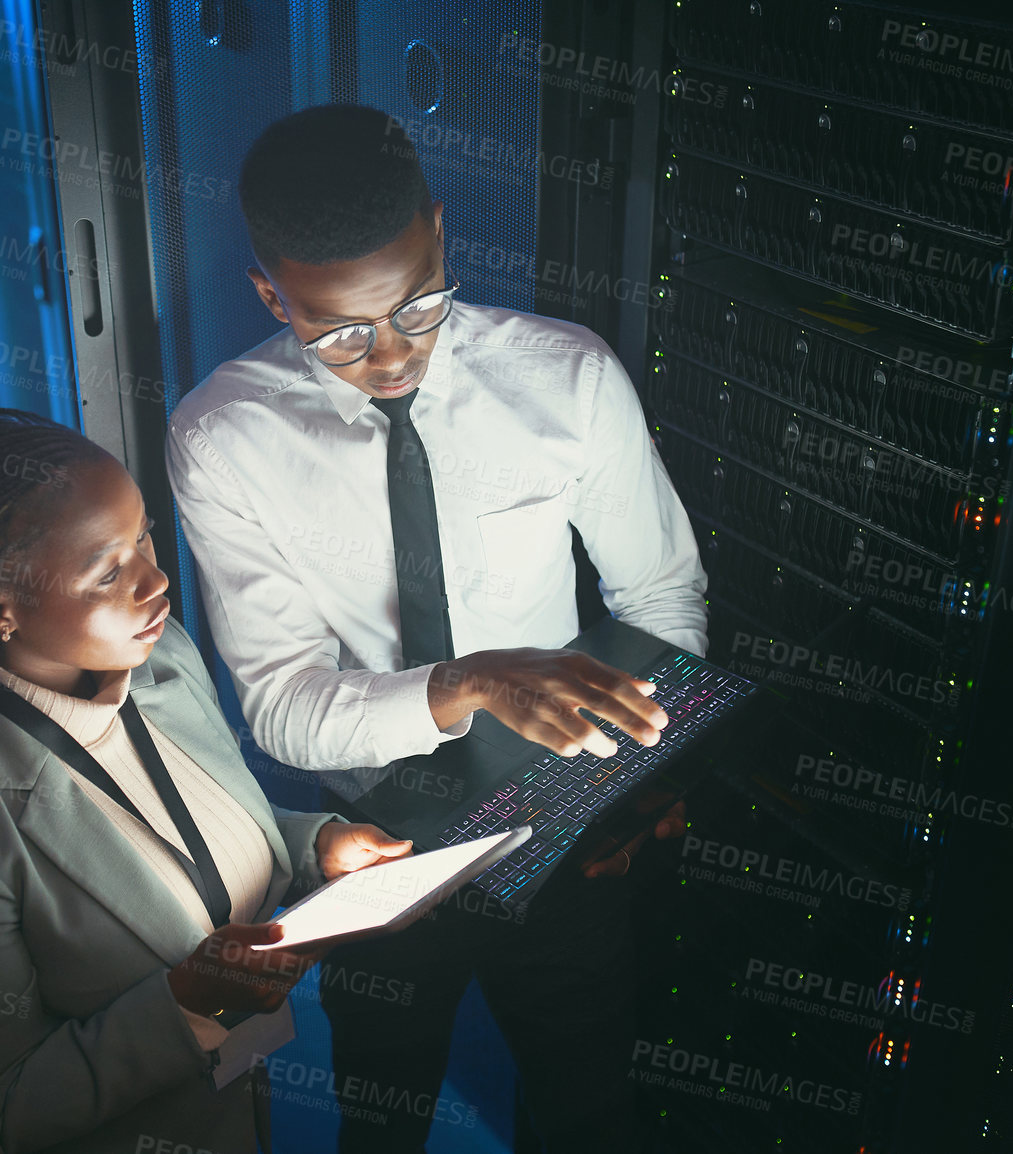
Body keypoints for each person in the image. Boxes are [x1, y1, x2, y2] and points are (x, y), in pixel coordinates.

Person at [165, 105, 711, 1152]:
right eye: (337, 332)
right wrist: (464, 682)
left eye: (418, 306)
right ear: (270, 293)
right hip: (379, 847)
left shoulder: (569, 376)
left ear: (443, 234)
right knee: (382, 1120)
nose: (388, 356)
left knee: (590, 1111)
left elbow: (661, 600)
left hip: (567, 820)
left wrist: (650, 774)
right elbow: (279, 706)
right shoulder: (221, 436)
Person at [0, 408, 412, 1154]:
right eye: (107, 571)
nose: (155, 579)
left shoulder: (162, 657)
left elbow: (186, 834)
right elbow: (4, 1108)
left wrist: (317, 847)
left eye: (142, 533)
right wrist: (187, 1005)